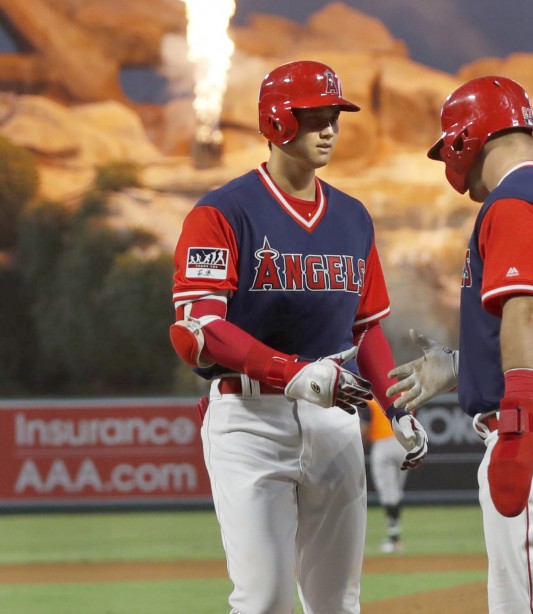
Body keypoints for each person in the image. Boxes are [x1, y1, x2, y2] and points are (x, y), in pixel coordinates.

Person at [169, 60, 428, 614]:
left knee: (338, 602)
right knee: (264, 600)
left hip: (335, 420)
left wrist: (398, 406)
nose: (329, 128)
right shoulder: (221, 212)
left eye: (333, 115)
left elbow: (366, 328)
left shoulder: (353, 217)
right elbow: (202, 330)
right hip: (249, 419)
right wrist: (293, 373)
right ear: (278, 121)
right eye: (314, 116)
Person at [387, 76, 533, 613]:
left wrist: (515, 427)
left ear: (469, 137)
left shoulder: (513, 201)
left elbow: (529, 312)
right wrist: (468, 369)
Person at [362, 399, 410, 553]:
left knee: (388, 493)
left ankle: (394, 538)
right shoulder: (405, 396)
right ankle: (395, 536)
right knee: (396, 492)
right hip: (405, 444)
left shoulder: (371, 400)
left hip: (382, 444)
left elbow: (364, 426)